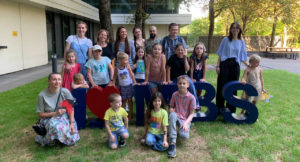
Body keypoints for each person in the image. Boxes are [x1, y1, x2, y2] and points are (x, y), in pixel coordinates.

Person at [35, 73, 80, 146]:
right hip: (48, 117)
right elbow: (40, 114)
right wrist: (55, 113)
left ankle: (59, 139)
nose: (57, 82)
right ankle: (55, 139)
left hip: (64, 116)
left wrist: (71, 123)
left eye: (59, 79)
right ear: (49, 81)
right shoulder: (42, 95)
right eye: (54, 79)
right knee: (55, 125)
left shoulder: (65, 92)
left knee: (69, 131)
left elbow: (70, 108)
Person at [216, 22, 249, 113]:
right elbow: (220, 54)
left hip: (235, 66)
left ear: (240, 30)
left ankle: (231, 109)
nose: (235, 30)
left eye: (237, 28)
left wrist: (249, 65)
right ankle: (219, 108)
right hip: (224, 65)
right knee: (221, 86)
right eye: (233, 28)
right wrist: (218, 66)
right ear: (230, 29)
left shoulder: (241, 42)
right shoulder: (225, 40)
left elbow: (243, 57)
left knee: (233, 87)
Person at [168, 75, 196, 158]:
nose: (182, 85)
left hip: (185, 119)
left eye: (184, 83)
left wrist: (185, 123)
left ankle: (179, 130)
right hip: (176, 116)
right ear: (177, 84)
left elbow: (191, 114)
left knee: (183, 136)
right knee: (172, 115)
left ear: (188, 85)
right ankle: (172, 143)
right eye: (180, 83)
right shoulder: (174, 95)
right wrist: (171, 110)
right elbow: (171, 107)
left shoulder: (192, 98)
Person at [166, 44, 200, 108]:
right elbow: (168, 69)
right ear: (175, 51)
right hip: (174, 77)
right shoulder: (172, 58)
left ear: (184, 51)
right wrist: (168, 80)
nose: (180, 51)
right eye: (178, 50)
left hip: (183, 76)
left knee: (191, 84)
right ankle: (172, 104)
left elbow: (187, 69)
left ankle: (196, 103)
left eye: (182, 50)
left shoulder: (185, 58)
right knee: (174, 88)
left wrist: (185, 58)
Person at [112, 52, 137, 120]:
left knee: (130, 100)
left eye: (127, 60)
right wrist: (113, 83)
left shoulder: (127, 66)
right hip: (122, 87)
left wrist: (134, 82)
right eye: (125, 60)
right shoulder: (117, 68)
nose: (127, 61)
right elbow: (114, 76)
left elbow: (131, 74)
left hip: (129, 86)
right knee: (123, 101)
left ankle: (130, 115)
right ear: (120, 60)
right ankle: (123, 115)